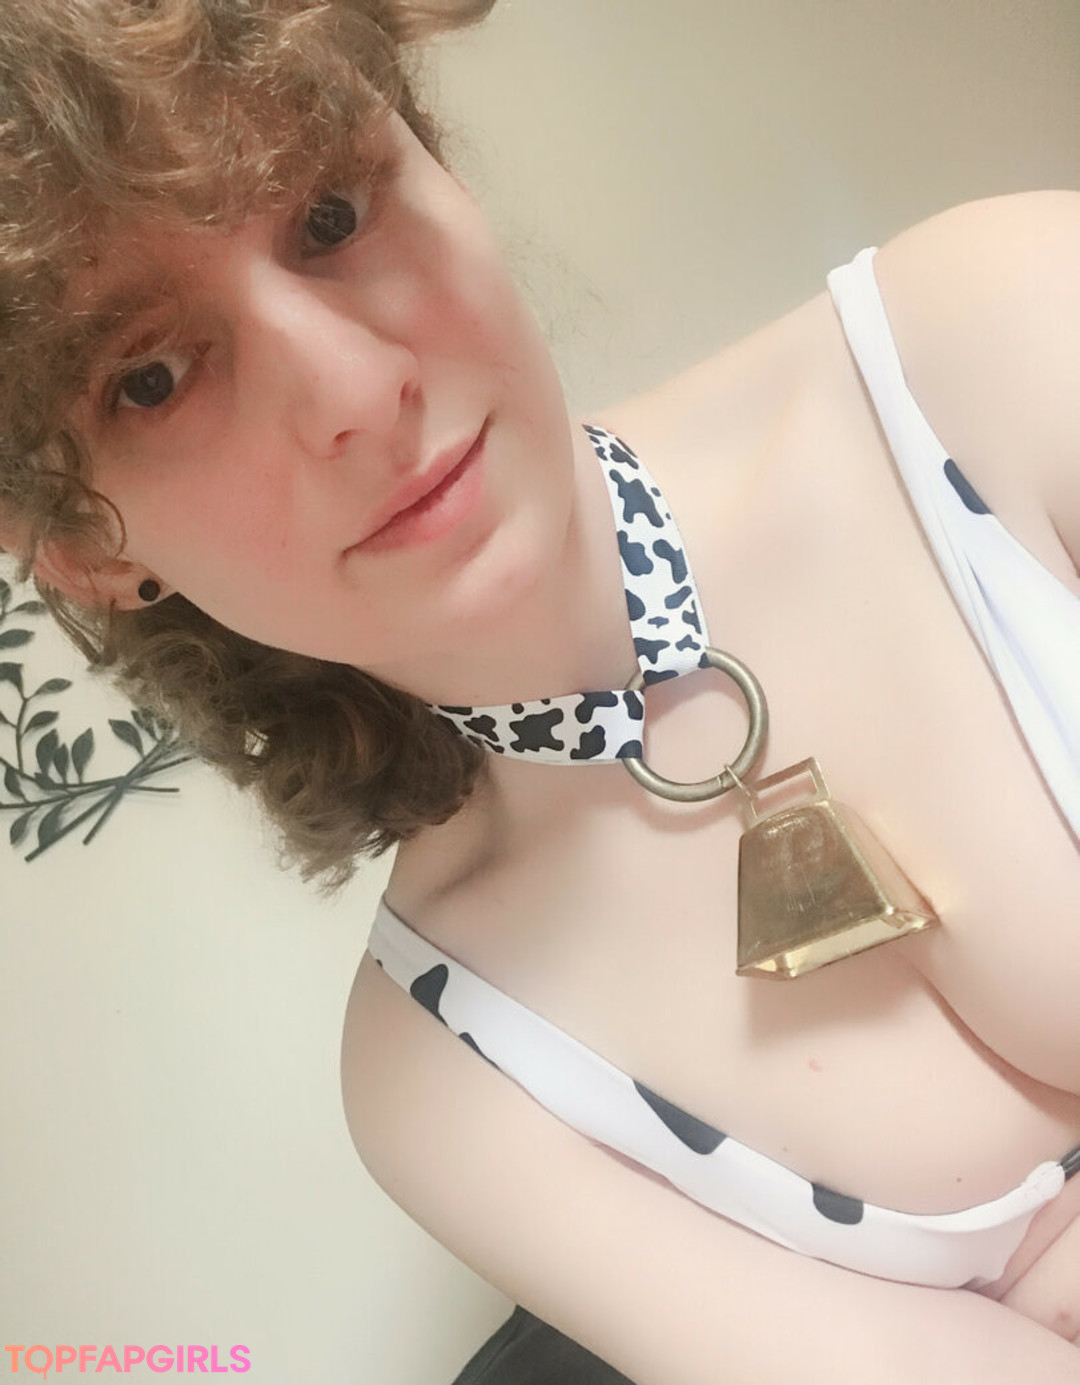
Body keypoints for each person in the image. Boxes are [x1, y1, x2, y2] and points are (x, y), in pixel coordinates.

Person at [0, 2, 1077, 1381]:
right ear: (90, 551)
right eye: (150, 379)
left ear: (433, 158)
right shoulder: (444, 1075)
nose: (355, 389)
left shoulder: (1000, 345)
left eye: (330, 214)